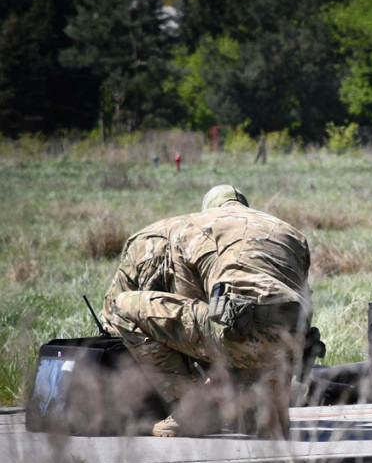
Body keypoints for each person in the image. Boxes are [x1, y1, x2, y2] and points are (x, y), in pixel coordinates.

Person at [102, 185, 320, 439]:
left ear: (209, 208)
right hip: (291, 341)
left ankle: (194, 408)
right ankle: (269, 406)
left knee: (122, 307)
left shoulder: (194, 226)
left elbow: (189, 302)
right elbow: (305, 299)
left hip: (233, 333)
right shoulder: (291, 233)